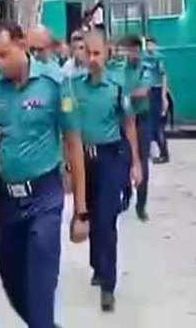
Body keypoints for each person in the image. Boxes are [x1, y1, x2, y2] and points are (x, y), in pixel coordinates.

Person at [0, 21, 89, 328]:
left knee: (41, 283)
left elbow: (74, 143)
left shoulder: (54, 83)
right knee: (9, 273)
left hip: (45, 195)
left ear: (22, 45)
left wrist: (81, 211)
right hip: (9, 197)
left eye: (4, 54)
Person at [72, 29, 142, 312]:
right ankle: (97, 266)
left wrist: (135, 162)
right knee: (89, 213)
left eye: (96, 53)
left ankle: (108, 286)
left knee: (106, 220)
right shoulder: (74, 87)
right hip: (83, 160)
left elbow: (129, 125)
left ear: (106, 52)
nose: (92, 59)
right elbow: (69, 129)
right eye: (87, 53)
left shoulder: (116, 86)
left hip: (111, 158)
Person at [115, 35, 153, 221]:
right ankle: (126, 195)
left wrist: (125, 94)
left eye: (133, 50)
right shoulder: (118, 69)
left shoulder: (145, 68)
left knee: (142, 162)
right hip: (122, 119)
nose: (130, 54)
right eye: (126, 50)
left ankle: (141, 204)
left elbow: (143, 91)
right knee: (122, 161)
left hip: (141, 120)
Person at [145, 37, 170, 164]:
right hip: (146, 91)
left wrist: (164, 96)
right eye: (147, 44)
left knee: (158, 125)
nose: (149, 46)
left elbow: (164, 76)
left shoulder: (159, 57)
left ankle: (164, 153)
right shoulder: (142, 57)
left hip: (156, 90)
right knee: (149, 124)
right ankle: (153, 152)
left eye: (151, 44)